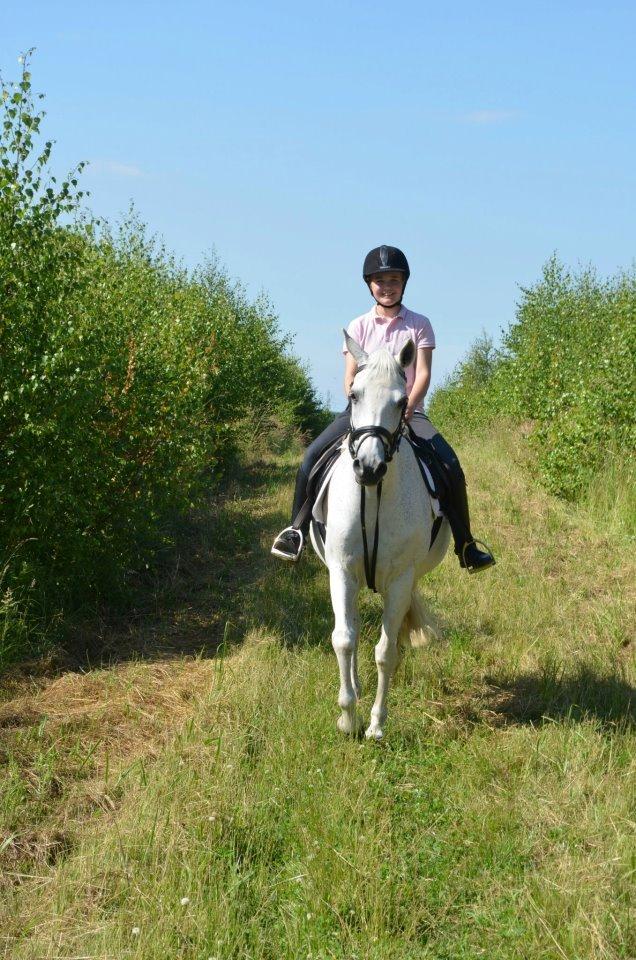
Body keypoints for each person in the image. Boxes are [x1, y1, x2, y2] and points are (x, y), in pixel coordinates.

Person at [271, 245, 495, 574]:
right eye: (380, 280)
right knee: (310, 459)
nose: (386, 286)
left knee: (450, 464)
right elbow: (350, 378)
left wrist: (407, 408)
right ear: (369, 285)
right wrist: (363, 407)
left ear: (404, 283)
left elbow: (423, 374)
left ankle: (466, 545)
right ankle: (296, 531)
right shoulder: (359, 326)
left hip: (407, 412)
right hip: (361, 415)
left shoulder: (419, 324)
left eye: (393, 279)